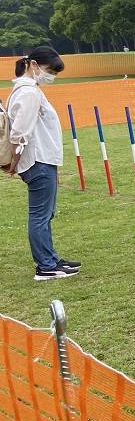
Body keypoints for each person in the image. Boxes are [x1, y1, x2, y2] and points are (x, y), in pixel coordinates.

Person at [3, 47, 81, 281]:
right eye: (49, 70)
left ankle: (51, 259)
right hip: (38, 160)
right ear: (33, 65)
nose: (50, 76)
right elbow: (19, 133)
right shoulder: (29, 93)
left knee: (46, 214)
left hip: (43, 160)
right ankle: (45, 266)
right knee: (40, 215)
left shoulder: (27, 90)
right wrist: (14, 163)